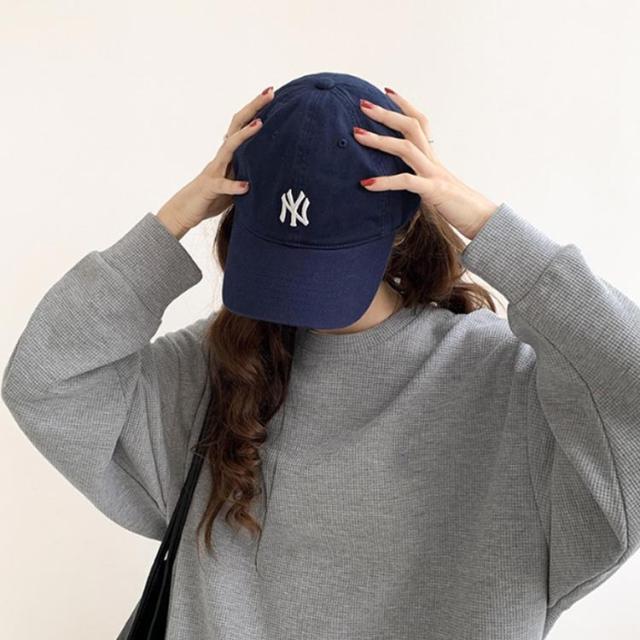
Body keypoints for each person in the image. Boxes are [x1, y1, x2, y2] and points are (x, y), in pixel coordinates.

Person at [3, 71, 640, 640]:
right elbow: (45, 381)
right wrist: (172, 220)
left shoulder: (502, 386)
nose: (300, 297)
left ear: (404, 224)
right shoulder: (220, 367)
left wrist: (489, 226)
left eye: (327, 256)